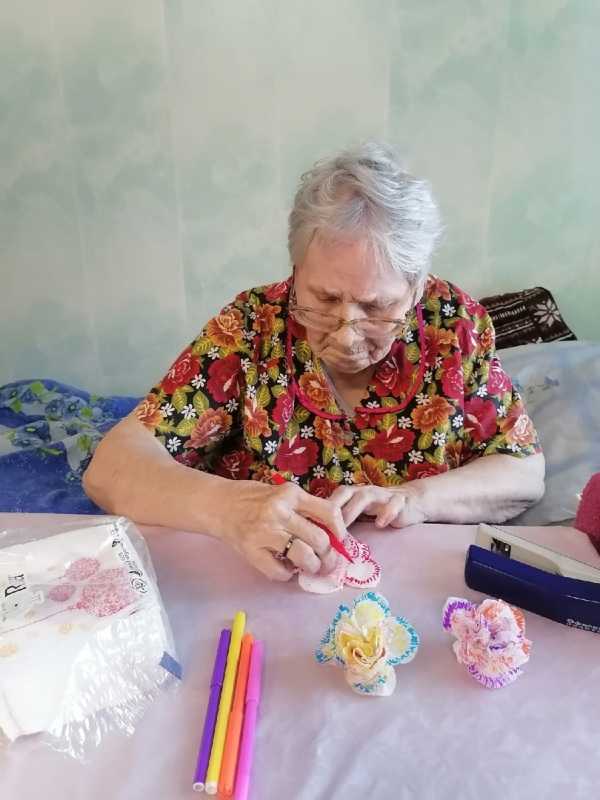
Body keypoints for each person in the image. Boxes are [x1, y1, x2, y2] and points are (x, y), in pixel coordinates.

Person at [83, 141, 545, 581]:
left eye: (377, 307)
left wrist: (416, 499)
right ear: (296, 270)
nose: (346, 334)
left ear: (417, 288)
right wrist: (231, 509)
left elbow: (522, 472)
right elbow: (111, 468)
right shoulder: (251, 325)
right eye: (324, 300)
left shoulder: (455, 326)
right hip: (263, 585)